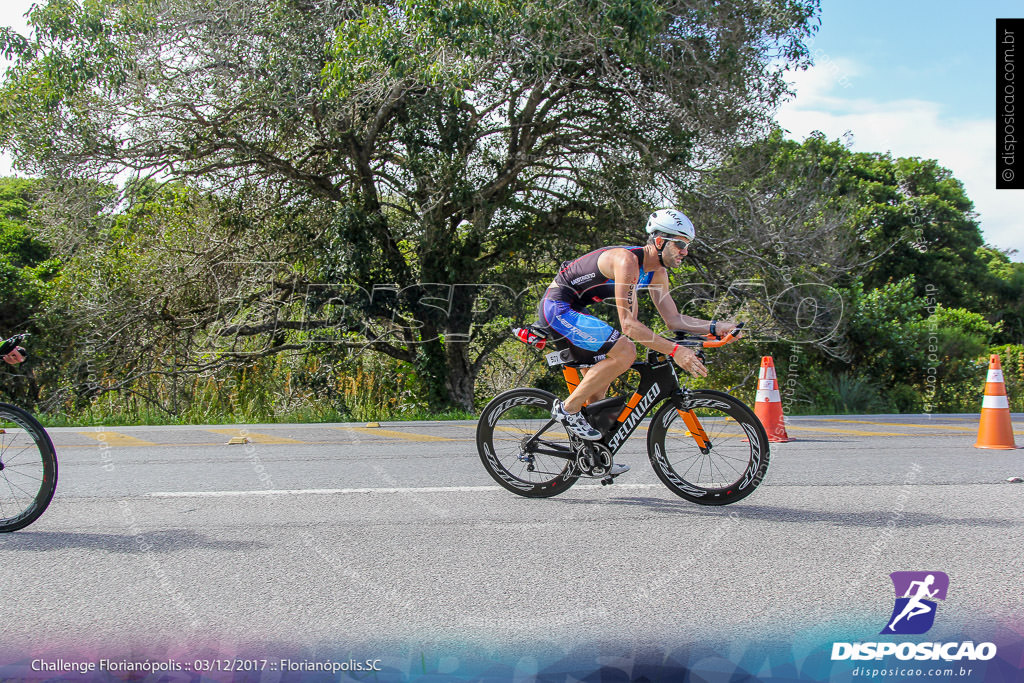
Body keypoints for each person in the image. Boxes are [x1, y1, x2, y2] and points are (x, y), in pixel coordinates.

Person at [539, 209, 739, 472]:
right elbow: (630, 326)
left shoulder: (657, 272)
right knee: (625, 350)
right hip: (558, 308)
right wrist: (677, 351)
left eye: (687, 246)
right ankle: (567, 409)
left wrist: (716, 326)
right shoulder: (627, 261)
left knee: (598, 393)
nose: (685, 252)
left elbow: (674, 319)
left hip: (577, 310)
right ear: (659, 242)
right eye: (680, 244)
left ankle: (593, 458)